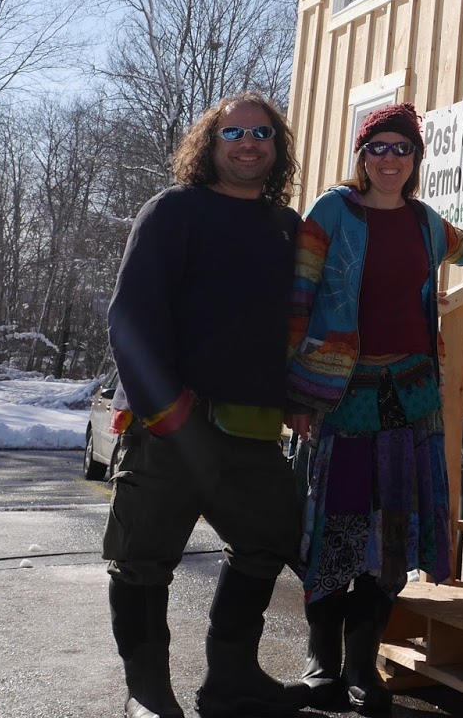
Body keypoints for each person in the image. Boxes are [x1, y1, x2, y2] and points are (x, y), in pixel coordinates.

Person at [286, 102, 463, 715]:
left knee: (391, 535)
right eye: (378, 148)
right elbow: (299, 298)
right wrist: (298, 395)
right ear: (362, 156)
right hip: (341, 395)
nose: (390, 159)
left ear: (415, 160)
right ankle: (320, 662)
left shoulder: (424, 222)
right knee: (337, 524)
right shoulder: (332, 212)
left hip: (411, 397)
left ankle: (363, 666)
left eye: (401, 149)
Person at [103, 92, 308, 718]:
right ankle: (147, 693)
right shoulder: (173, 210)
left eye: (262, 133)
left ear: (277, 147)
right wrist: (168, 413)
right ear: (209, 145)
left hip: (253, 432)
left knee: (267, 542)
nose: (249, 143)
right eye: (234, 132)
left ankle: (232, 679)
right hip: (169, 426)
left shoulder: (286, 227)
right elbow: (130, 316)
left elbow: (302, 320)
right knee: (142, 561)